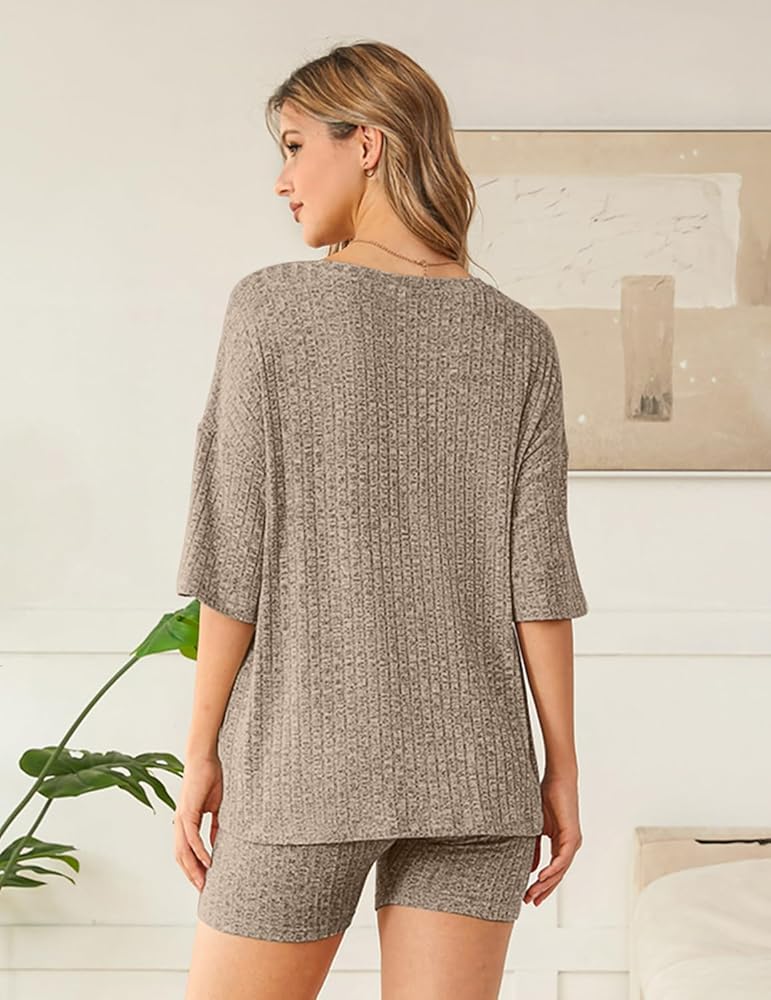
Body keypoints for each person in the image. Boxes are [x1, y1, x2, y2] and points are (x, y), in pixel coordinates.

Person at [173, 39, 588, 1000]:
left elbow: (234, 554)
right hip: (478, 773)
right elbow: (538, 582)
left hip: (300, 764)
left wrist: (200, 753)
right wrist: (559, 769)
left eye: (292, 146)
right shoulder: (518, 338)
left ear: (365, 143)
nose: (281, 181)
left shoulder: (272, 309)